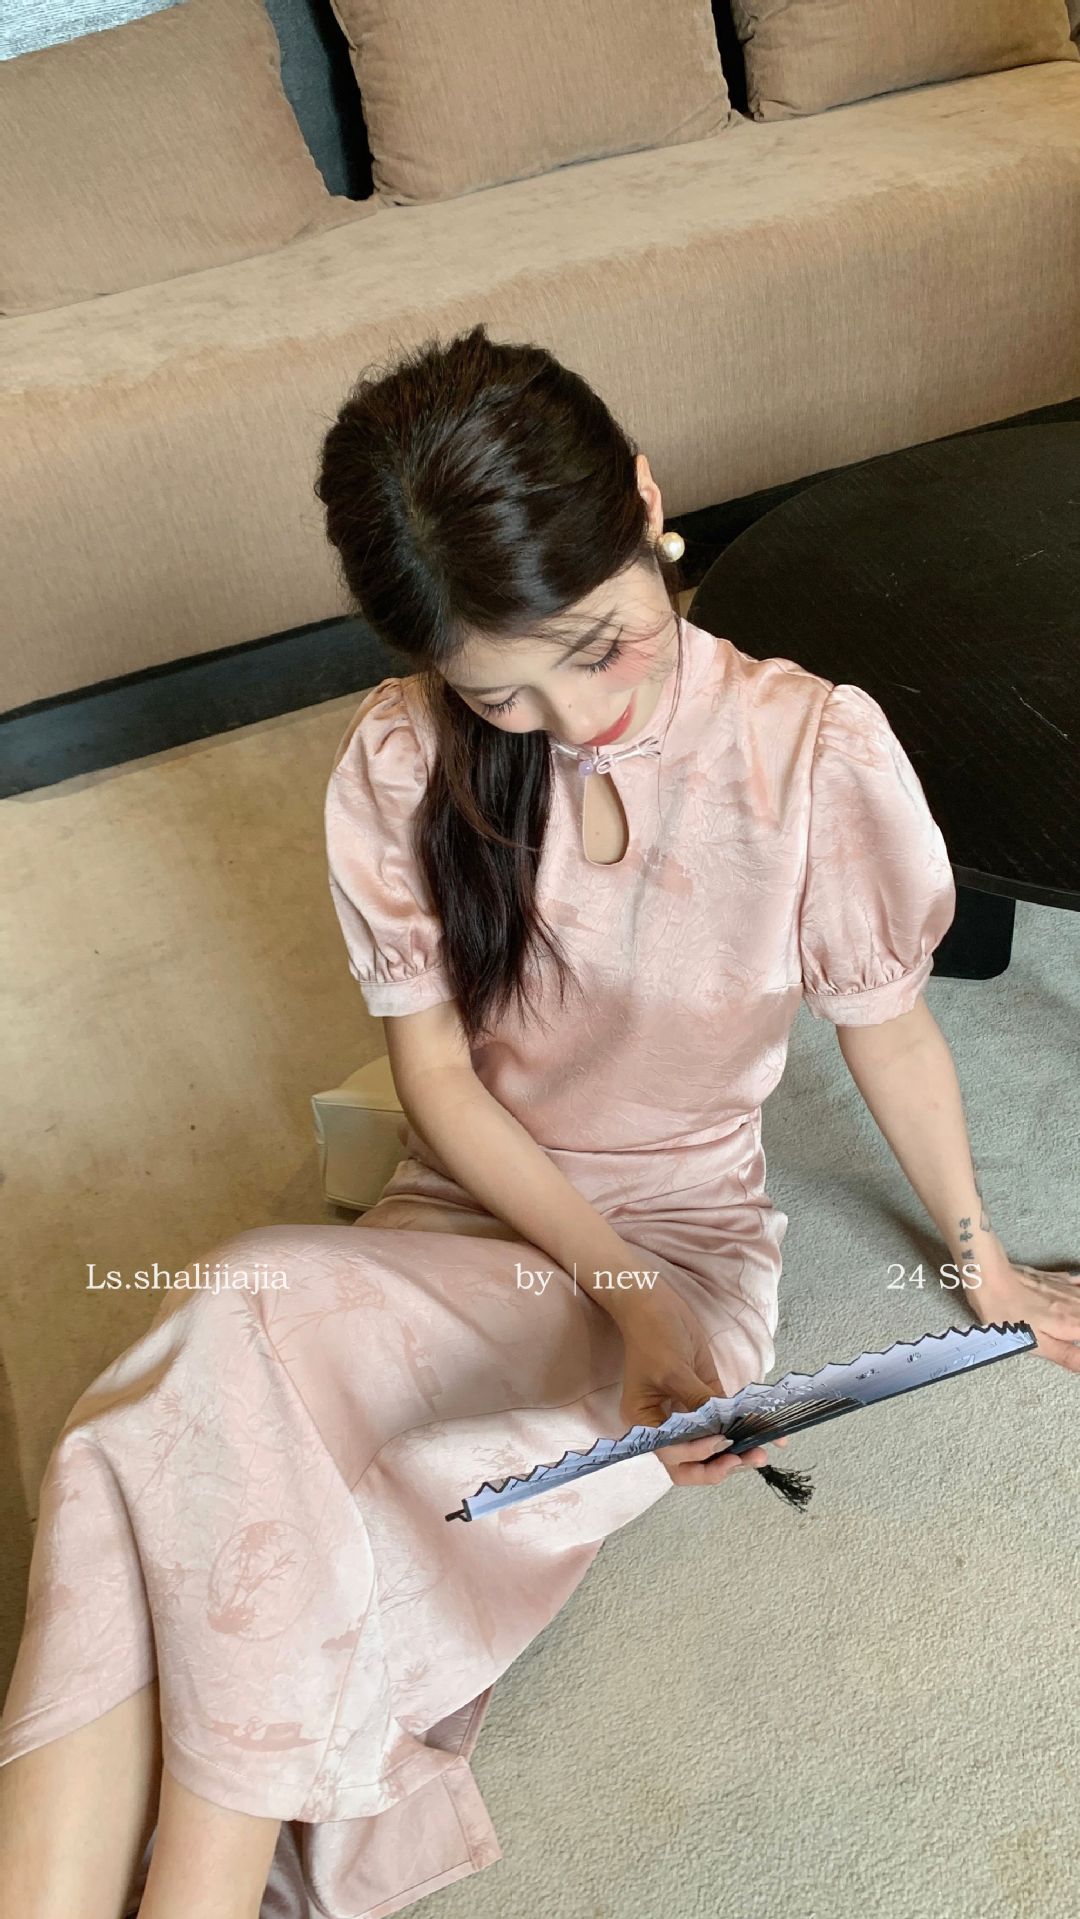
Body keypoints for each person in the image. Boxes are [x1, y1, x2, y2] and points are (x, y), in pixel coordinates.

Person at [2, 324, 1077, 1919]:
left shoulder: (809, 749)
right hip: (464, 1223)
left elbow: (891, 1032)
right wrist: (606, 1282)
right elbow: (439, 1086)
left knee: (206, 1457)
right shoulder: (400, 757)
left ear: (646, 502)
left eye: (599, 647)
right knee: (207, 1363)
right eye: (500, 692)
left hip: (679, 1262)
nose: (574, 718)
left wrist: (979, 1269)